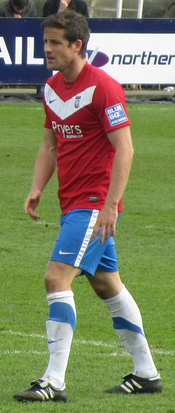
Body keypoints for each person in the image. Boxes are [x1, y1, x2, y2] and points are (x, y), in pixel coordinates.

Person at [13, 11, 162, 403]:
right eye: (45, 42)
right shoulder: (49, 88)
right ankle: (147, 374)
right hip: (71, 203)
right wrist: (36, 188)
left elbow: (125, 148)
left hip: (95, 203)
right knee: (106, 284)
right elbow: (49, 144)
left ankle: (53, 382)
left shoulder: (104, 88)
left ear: (77, 45)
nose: (46, 49)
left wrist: (111, 205)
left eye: (55, 43)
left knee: (55, 277)